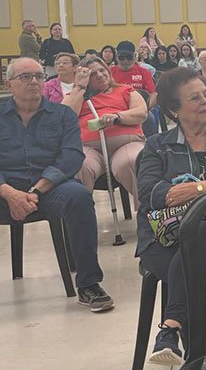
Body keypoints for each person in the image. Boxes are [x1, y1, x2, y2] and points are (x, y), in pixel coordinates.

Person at [136, 67, 206, 365]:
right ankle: (192, 353)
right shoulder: (156, 146)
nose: (205, 101)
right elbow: (149, 192)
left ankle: (173, 331)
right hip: (162, 237)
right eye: (194, 98)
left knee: (196, 237)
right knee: (191, 254)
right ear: (174, 110)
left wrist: (197, 188)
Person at [0, 57, 115, 313]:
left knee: (79, 197)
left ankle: (88, 284)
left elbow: (72, 156)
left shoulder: (61, 114)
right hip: (4, 190)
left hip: (48, 189)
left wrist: (35, 191)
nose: (34, 82)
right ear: (9, 83)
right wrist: (9, 193)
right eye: (25, 77)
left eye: (39, 76)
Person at [62, 56, 147, 199]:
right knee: (79, 164)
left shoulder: (125, 90)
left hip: (127, 143)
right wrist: (79, 88)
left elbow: (141, 113)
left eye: (102, 70)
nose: (100, 75)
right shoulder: (75, 96)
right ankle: (84, 213)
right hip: (89, 147)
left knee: (131, 161)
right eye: (93, 74)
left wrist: (118, 117)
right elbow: (64, 119)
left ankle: (147, 211)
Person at [110, 41, 157, 108]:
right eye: (121, 57)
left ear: (135, 56)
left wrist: (146, 108)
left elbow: (153, 94)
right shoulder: (109, 72)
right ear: (116, 57)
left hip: (139, 107)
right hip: (115, 107)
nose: (125, 61)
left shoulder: (144, 72)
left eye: (129, 57)